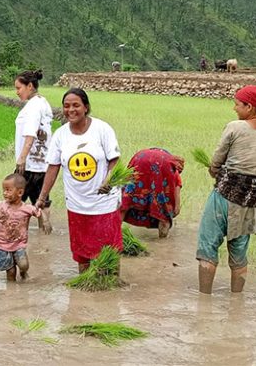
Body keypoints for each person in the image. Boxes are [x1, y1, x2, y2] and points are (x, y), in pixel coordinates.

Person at [196, 85, 256, 294]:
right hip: (250, 201)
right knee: (239, 254)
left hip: (223, 197)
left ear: (249, 107)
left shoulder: (235, 127)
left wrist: (214, 171)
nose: (234, 108)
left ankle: (204, 301)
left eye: (237, 104)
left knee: (208, 247)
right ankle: (236, 300)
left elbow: (217, 160)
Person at [35, 88, 123, 273]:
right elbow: (53, 167)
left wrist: (108, 181)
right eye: (66, 106)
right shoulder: (60, 135)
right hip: (76, 203)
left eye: (76, 105)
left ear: (86, 107)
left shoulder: (102, 129)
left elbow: (114, 160)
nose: (71, 110)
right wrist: (42, 198)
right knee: (82, 253)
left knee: (109, 253)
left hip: (104, 201)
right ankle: (85, 284)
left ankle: (111, 285)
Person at [0, 173, 40, 281]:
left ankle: (23, 273)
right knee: (11, 272)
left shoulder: (27, 208)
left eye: (8, 190)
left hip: (19, 244)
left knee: (23, 265)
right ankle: (12, 290)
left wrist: (45, 221)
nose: (5, 193)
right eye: (4, 190)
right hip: (2, 245)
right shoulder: (0, 206)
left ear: (20, 192)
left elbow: (39, 213)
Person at [13, 69, 53, 233]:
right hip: (42, 164)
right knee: (42, 202)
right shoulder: (43, 103)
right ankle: (44, 237)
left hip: (29, 164)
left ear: (29, 86)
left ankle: (14, 235)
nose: (17, 92)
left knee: (13, 201)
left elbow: (30, 134)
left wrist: (21, 158)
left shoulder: (33, 106)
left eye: (19, 88)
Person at [121, 148, 184, 238]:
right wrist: (175, 207)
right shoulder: (172, 167)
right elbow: (177, 186)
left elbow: (126, 180)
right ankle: (162, 242)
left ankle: (113, 236)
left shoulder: (166, 157)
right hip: (160, 164)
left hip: (139, 158)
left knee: (126, 200)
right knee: (164, 211)